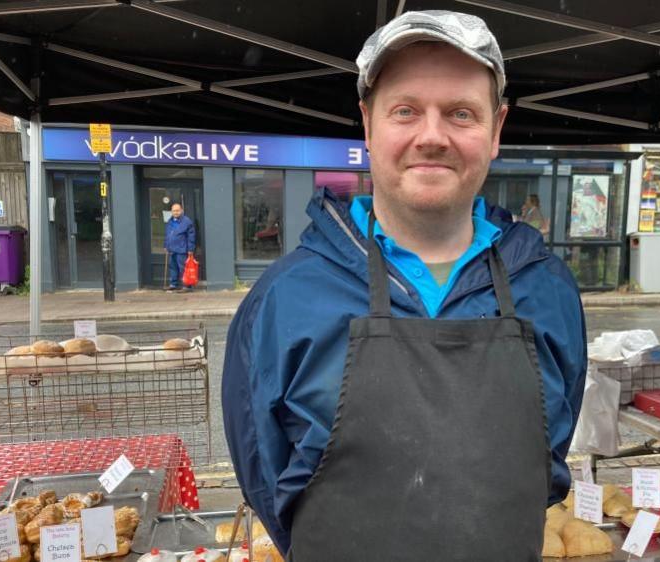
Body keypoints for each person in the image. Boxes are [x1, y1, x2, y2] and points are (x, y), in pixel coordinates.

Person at [222, 10, 587, 561]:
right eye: (406, 110)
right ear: (368, 125)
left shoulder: (550, 292)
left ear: (496, 131)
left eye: (461, 113)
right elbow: (264, 477)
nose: (432, 136)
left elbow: (547, 464)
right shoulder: (284, 298)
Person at [163, 202, 196, 292]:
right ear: (171, 211)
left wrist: (190, 249)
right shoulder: (170, 221)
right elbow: (167, 234)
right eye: (174, 211)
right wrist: (165, 245)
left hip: (182, 249)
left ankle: (187, 286)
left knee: (183, 268)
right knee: (173, 267)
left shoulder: (187, 221)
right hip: (171, 249)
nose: (176, 212)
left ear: (181, 210)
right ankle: (173, 284)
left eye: (177, 210)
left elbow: (191, 236)